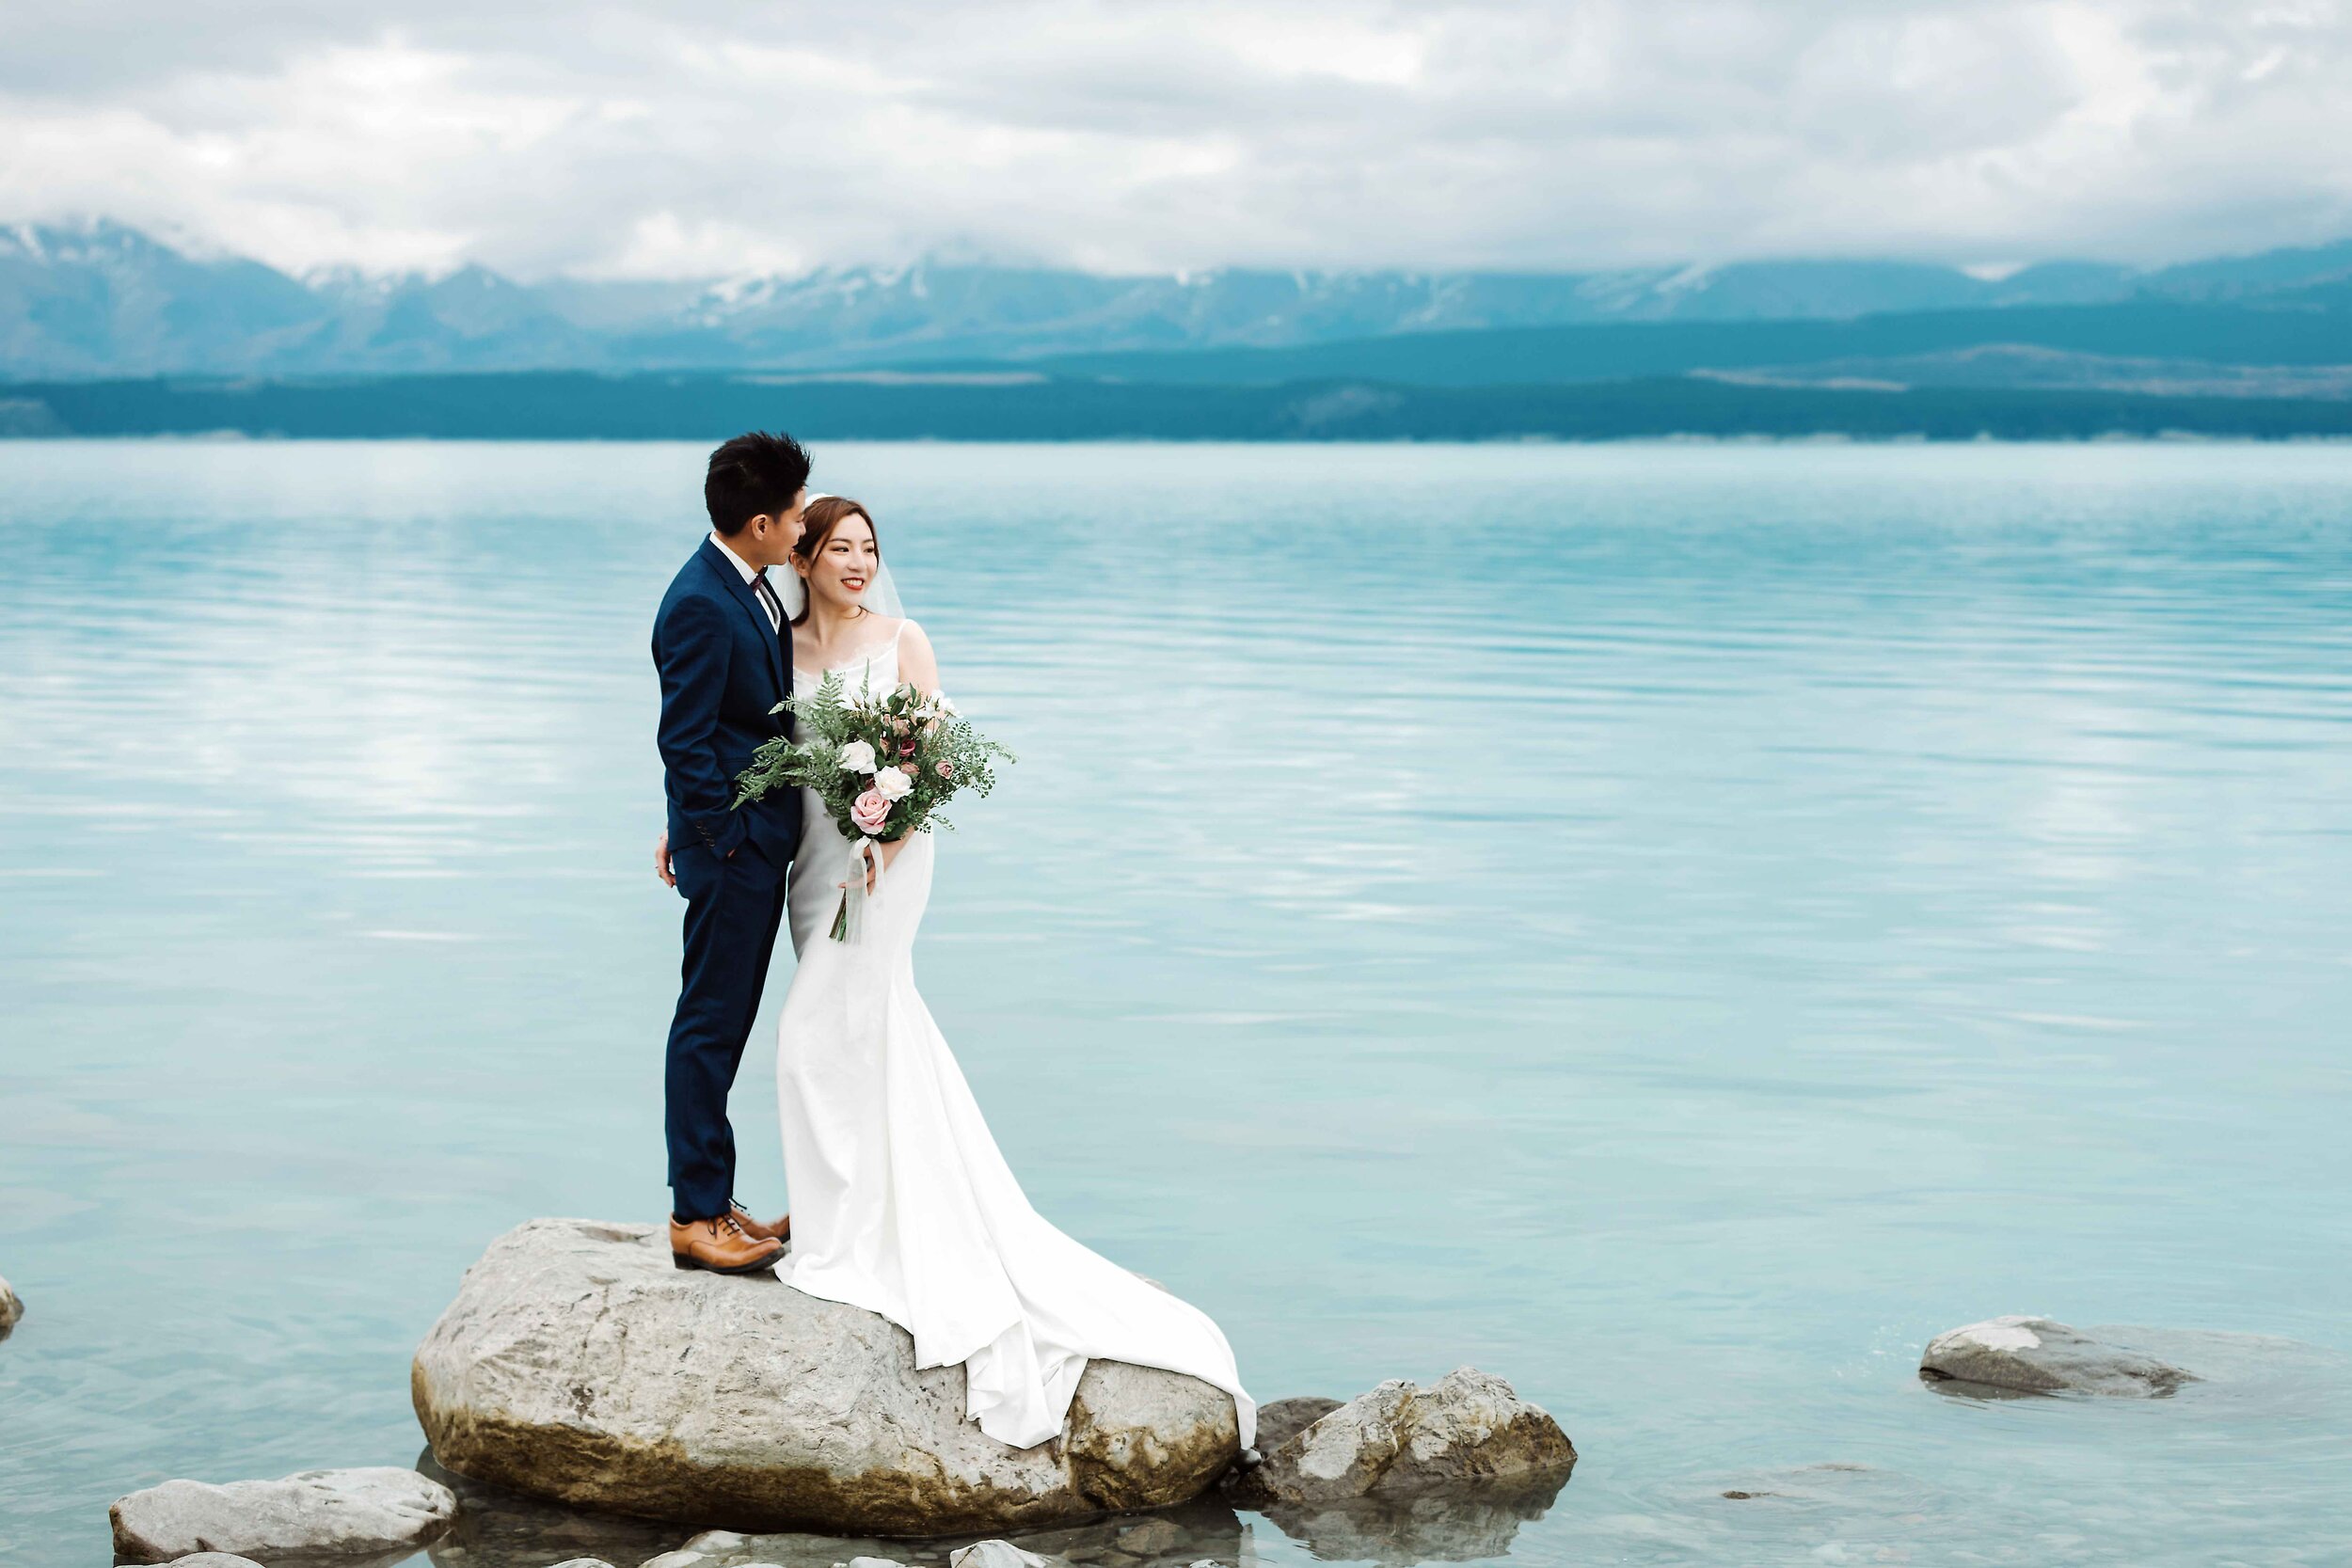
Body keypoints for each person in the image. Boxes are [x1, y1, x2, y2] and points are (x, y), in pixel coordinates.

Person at [759, 495, 1256, 1451]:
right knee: (860, 1033)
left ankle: (846, 1237)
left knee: (809, 1034)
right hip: (816, 859)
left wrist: (885, 843)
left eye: (870, 548)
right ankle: (856, 1208)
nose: (859, 562)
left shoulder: (901, 637)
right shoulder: (777, 644)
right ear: (806, 556)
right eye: (842, 548)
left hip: (886, 860)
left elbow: (927, 761)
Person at [648, 431, 809, 1275]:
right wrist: (716, 835)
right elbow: (684, 738)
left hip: (746, 839)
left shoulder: (746, 583)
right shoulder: (701, 602)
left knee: (727, 1020)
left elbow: (731, 722)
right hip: (735, 850)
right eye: (791, 517)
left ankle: (717, 1193)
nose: (800, 528)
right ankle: (693, 1214)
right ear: (757, 523)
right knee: (709, 1024)